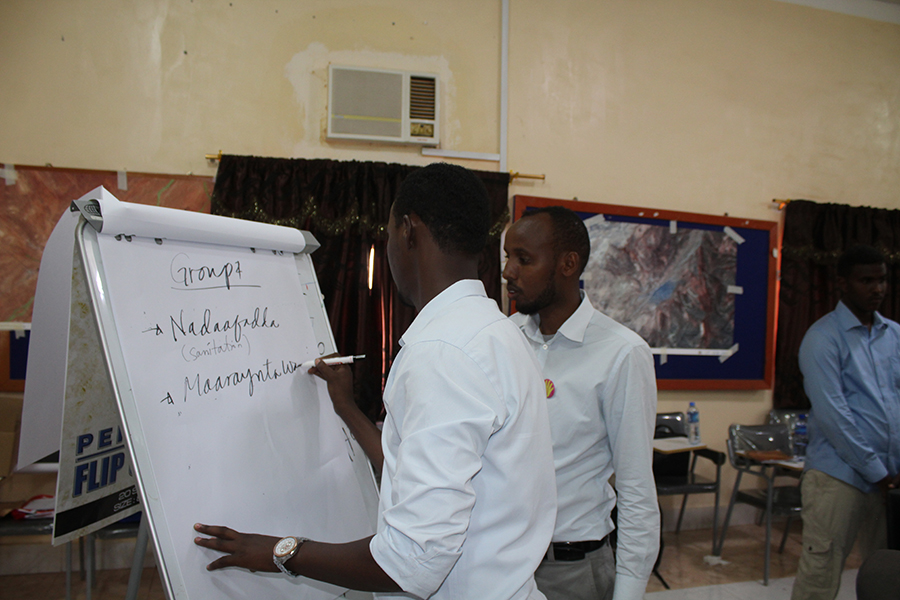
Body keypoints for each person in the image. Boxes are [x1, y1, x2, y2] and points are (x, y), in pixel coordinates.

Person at [193, 162, 558, 600]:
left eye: (387, 235)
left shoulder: (442, 353)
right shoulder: (498, 333)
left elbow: (411, 561)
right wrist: (346, 407)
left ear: (408, 231)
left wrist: (280, 552)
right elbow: (418, 474)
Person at [502, 206, 660, 600]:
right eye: (507, 257)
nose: (508, 271)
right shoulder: (503, 339)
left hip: (570, 571)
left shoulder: (621, 353)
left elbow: (637, 490)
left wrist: (629, 593)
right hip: (497, 563)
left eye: (523, 259)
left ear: (568, 264)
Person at [791, 244, 900, 600]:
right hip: (839, 477)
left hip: (890, 477)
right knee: (820, 578)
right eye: (866, 281)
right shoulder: (823, 337)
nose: (877, 289)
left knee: (887, 575)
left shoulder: (895, 335)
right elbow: (833, 416)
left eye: (882, 280)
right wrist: (876, 470)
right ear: (842, 283)